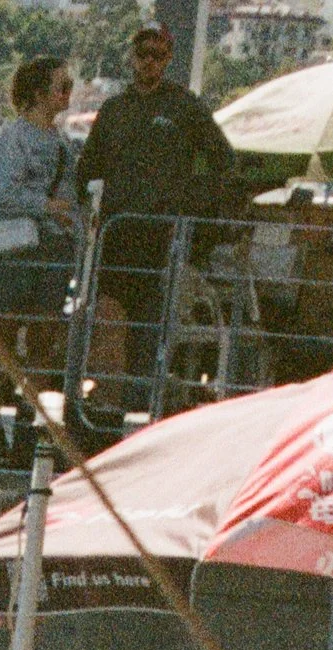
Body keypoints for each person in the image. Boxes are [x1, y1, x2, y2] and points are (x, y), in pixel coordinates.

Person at [74, 21, 228, 421]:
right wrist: (86, 212)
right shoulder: (115, 109)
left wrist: (189, 206)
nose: (149, 62)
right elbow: (87, 168)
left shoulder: (184, 106)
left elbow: (223, 163)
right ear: (132, 56)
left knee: (152, 325)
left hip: (162, 237)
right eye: (143, 53)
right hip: (116, 234)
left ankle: (144, 408)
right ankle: (106, 408)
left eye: (158, 55)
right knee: (108, 320)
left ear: (169, 59)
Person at [0, 54, 77, 463]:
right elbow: (2, 192)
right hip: (17, 247)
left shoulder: (63, 145)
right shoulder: (13, 139)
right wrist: (47, 205)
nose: (67, 94)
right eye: (61, 86)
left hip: (54, 247)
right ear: (40, 93)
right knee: (0, 333)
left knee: (44, 333)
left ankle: (25, 416)